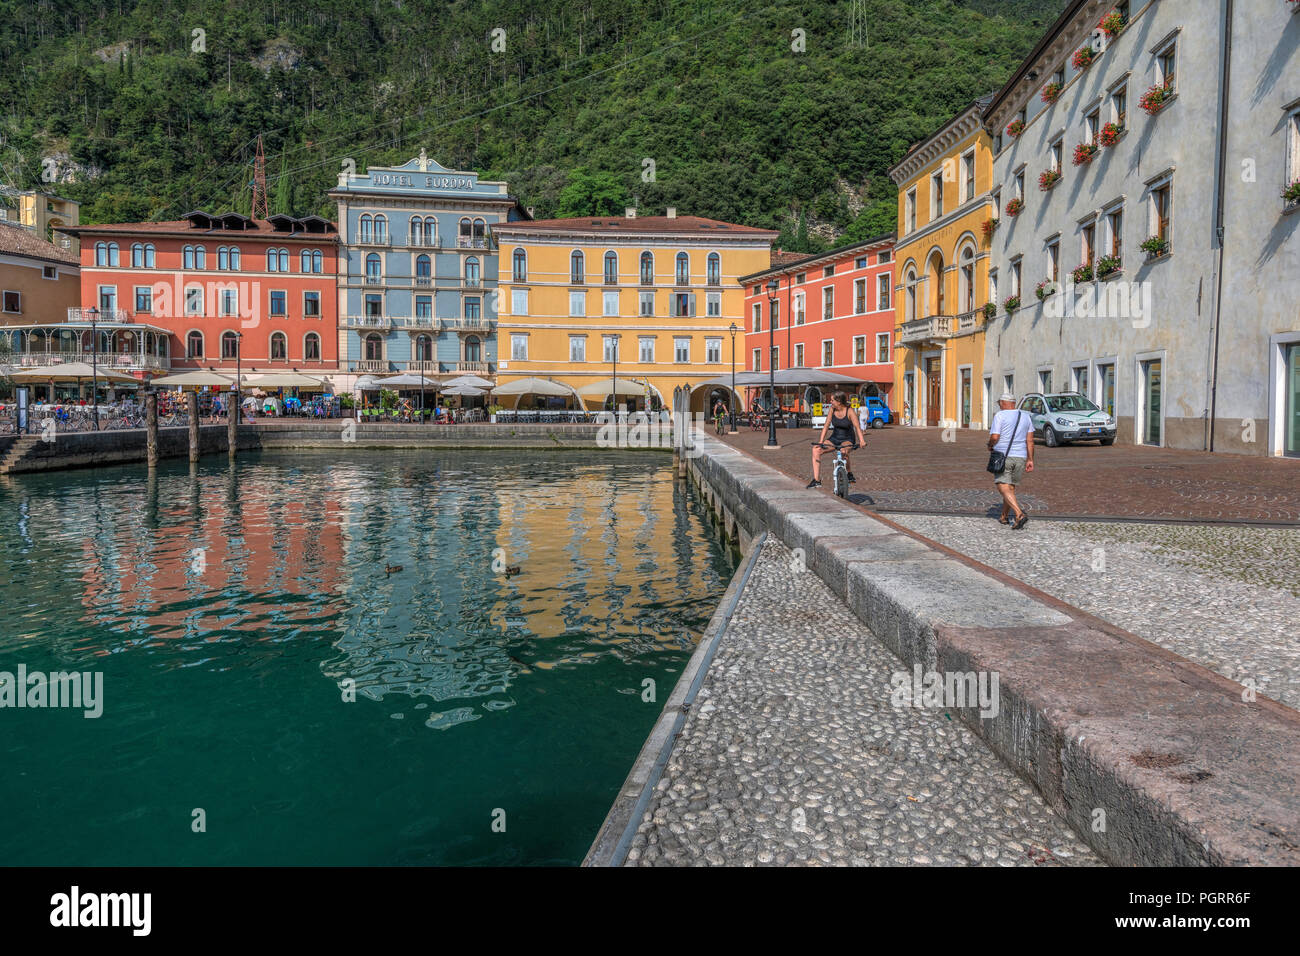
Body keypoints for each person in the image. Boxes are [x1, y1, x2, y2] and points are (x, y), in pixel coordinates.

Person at [987, 391, 1035, 529]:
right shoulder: (1025, 416)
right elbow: (1030, 440)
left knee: (1002, 485)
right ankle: (1004, 517)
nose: (999, 405)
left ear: (1003, 403)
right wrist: (1030, 459)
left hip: (1003, 456)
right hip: (1020, 456)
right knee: (1011, 488)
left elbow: (995, 437)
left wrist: (990, 445)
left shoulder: (1000, 415)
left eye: (999, 403)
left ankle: (1019, 514)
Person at [807, 391, 866, 489]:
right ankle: (816, 480)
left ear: (839, 401)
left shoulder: (850, 411)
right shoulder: (832, 409)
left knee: (843, 451)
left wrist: (862, 441)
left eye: (832, 400)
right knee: (816, 449)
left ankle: (849, 473)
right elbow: (826, 426)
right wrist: (821, 442)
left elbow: (857, 427)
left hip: (848, 439)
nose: (830, 402)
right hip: (834, 438)